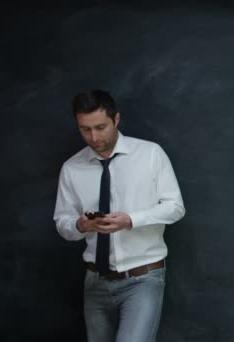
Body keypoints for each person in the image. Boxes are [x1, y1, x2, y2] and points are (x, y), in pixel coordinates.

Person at [53, 89, 185, 342]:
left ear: (116, 120)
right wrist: (80, 224)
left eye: (101, 127)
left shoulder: (150, 154)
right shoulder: (71, 168)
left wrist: (131, 220)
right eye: (85, 129)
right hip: (94, 281)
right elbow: (63, 224)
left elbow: (175, 207)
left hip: (143, 278)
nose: (93, 137)